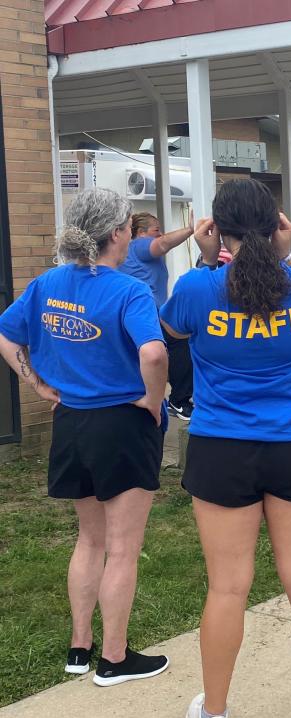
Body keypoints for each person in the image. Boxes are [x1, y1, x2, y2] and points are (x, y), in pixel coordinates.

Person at [160, 180, 291, 718]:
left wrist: (203, 257)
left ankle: (214, 710)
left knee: (227, 589)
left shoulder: (197, 289)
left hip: (222, 448)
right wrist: (284, 252)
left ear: (217, 229)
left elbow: (173, 329)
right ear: (275, 226)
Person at [0, 188, 170, 686]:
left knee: (89, 540)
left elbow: (8, 336)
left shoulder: (46, 283)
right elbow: (155, 355)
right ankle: (114, 659)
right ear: (118, 233)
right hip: (121, 423)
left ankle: (80, 648)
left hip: (70, 422)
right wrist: (155, 401)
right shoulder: (128, 290)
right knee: (122, 547)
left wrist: (35, 382)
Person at [119, 211, 196, 420]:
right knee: (180, 339)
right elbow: (162, 244)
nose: (160, 234)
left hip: (142, 312)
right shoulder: (139, 245)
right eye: (156, 230)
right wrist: (191, 229)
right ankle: (178, 401)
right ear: (141, 233)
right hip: (148, 312)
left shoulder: (130, 251)